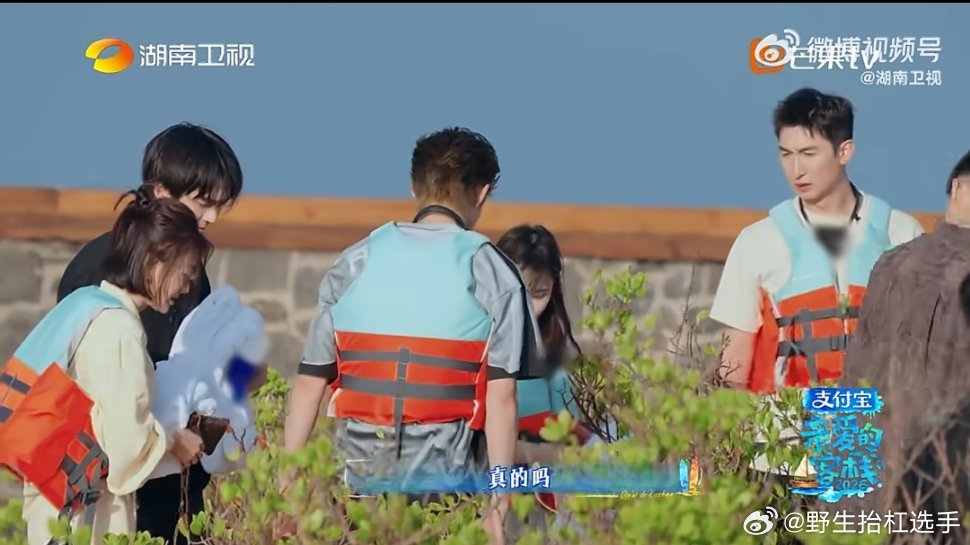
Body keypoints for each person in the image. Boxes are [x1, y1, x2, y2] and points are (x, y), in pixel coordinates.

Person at [282, 127, 544, 545]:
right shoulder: (492, 270)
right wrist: (498, 504)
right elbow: (502, 398)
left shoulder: (355, 261)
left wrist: (287, 481)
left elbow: (309, 384)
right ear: (481, 193)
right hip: (444, 493)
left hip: (357, 488)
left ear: (413, 186)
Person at [709, 88, 923, 482]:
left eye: (809, 154)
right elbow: (733, 365)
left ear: (844, 151)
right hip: (781, 455)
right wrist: (726, 450)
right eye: (785, 154)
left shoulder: (902, 234)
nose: (796, 170)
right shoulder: (757, 242)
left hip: (882, 452)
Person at [56, 122, 244, 545]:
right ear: (160, 191)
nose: (212, 217)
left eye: (220, 206)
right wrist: (173, 438)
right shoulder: (104, 278)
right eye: (203, 202)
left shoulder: (102, 261)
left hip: (158, 478)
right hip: (122, 486)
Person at [0, 189, 211, 545]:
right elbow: (124, 442)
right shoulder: (120, 329)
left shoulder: (86, 304)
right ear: (157, 260)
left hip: (57, 495)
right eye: (185, 270)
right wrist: (174, 440)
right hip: (86, 508)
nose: (188, 284)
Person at [837, 150, 970, 543]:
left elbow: (855, 384)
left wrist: (841, 500)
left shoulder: (892, 264)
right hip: (948, 486)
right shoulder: (894, 265)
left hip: (878, 490)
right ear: (956, 188)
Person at [496, 225, 600, 510]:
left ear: (553, 287)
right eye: (517, 294)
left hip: (542, 504)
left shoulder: (556, 372)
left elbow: (573, 449)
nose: (527, 308)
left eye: (539, 294)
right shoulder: (473, 349)